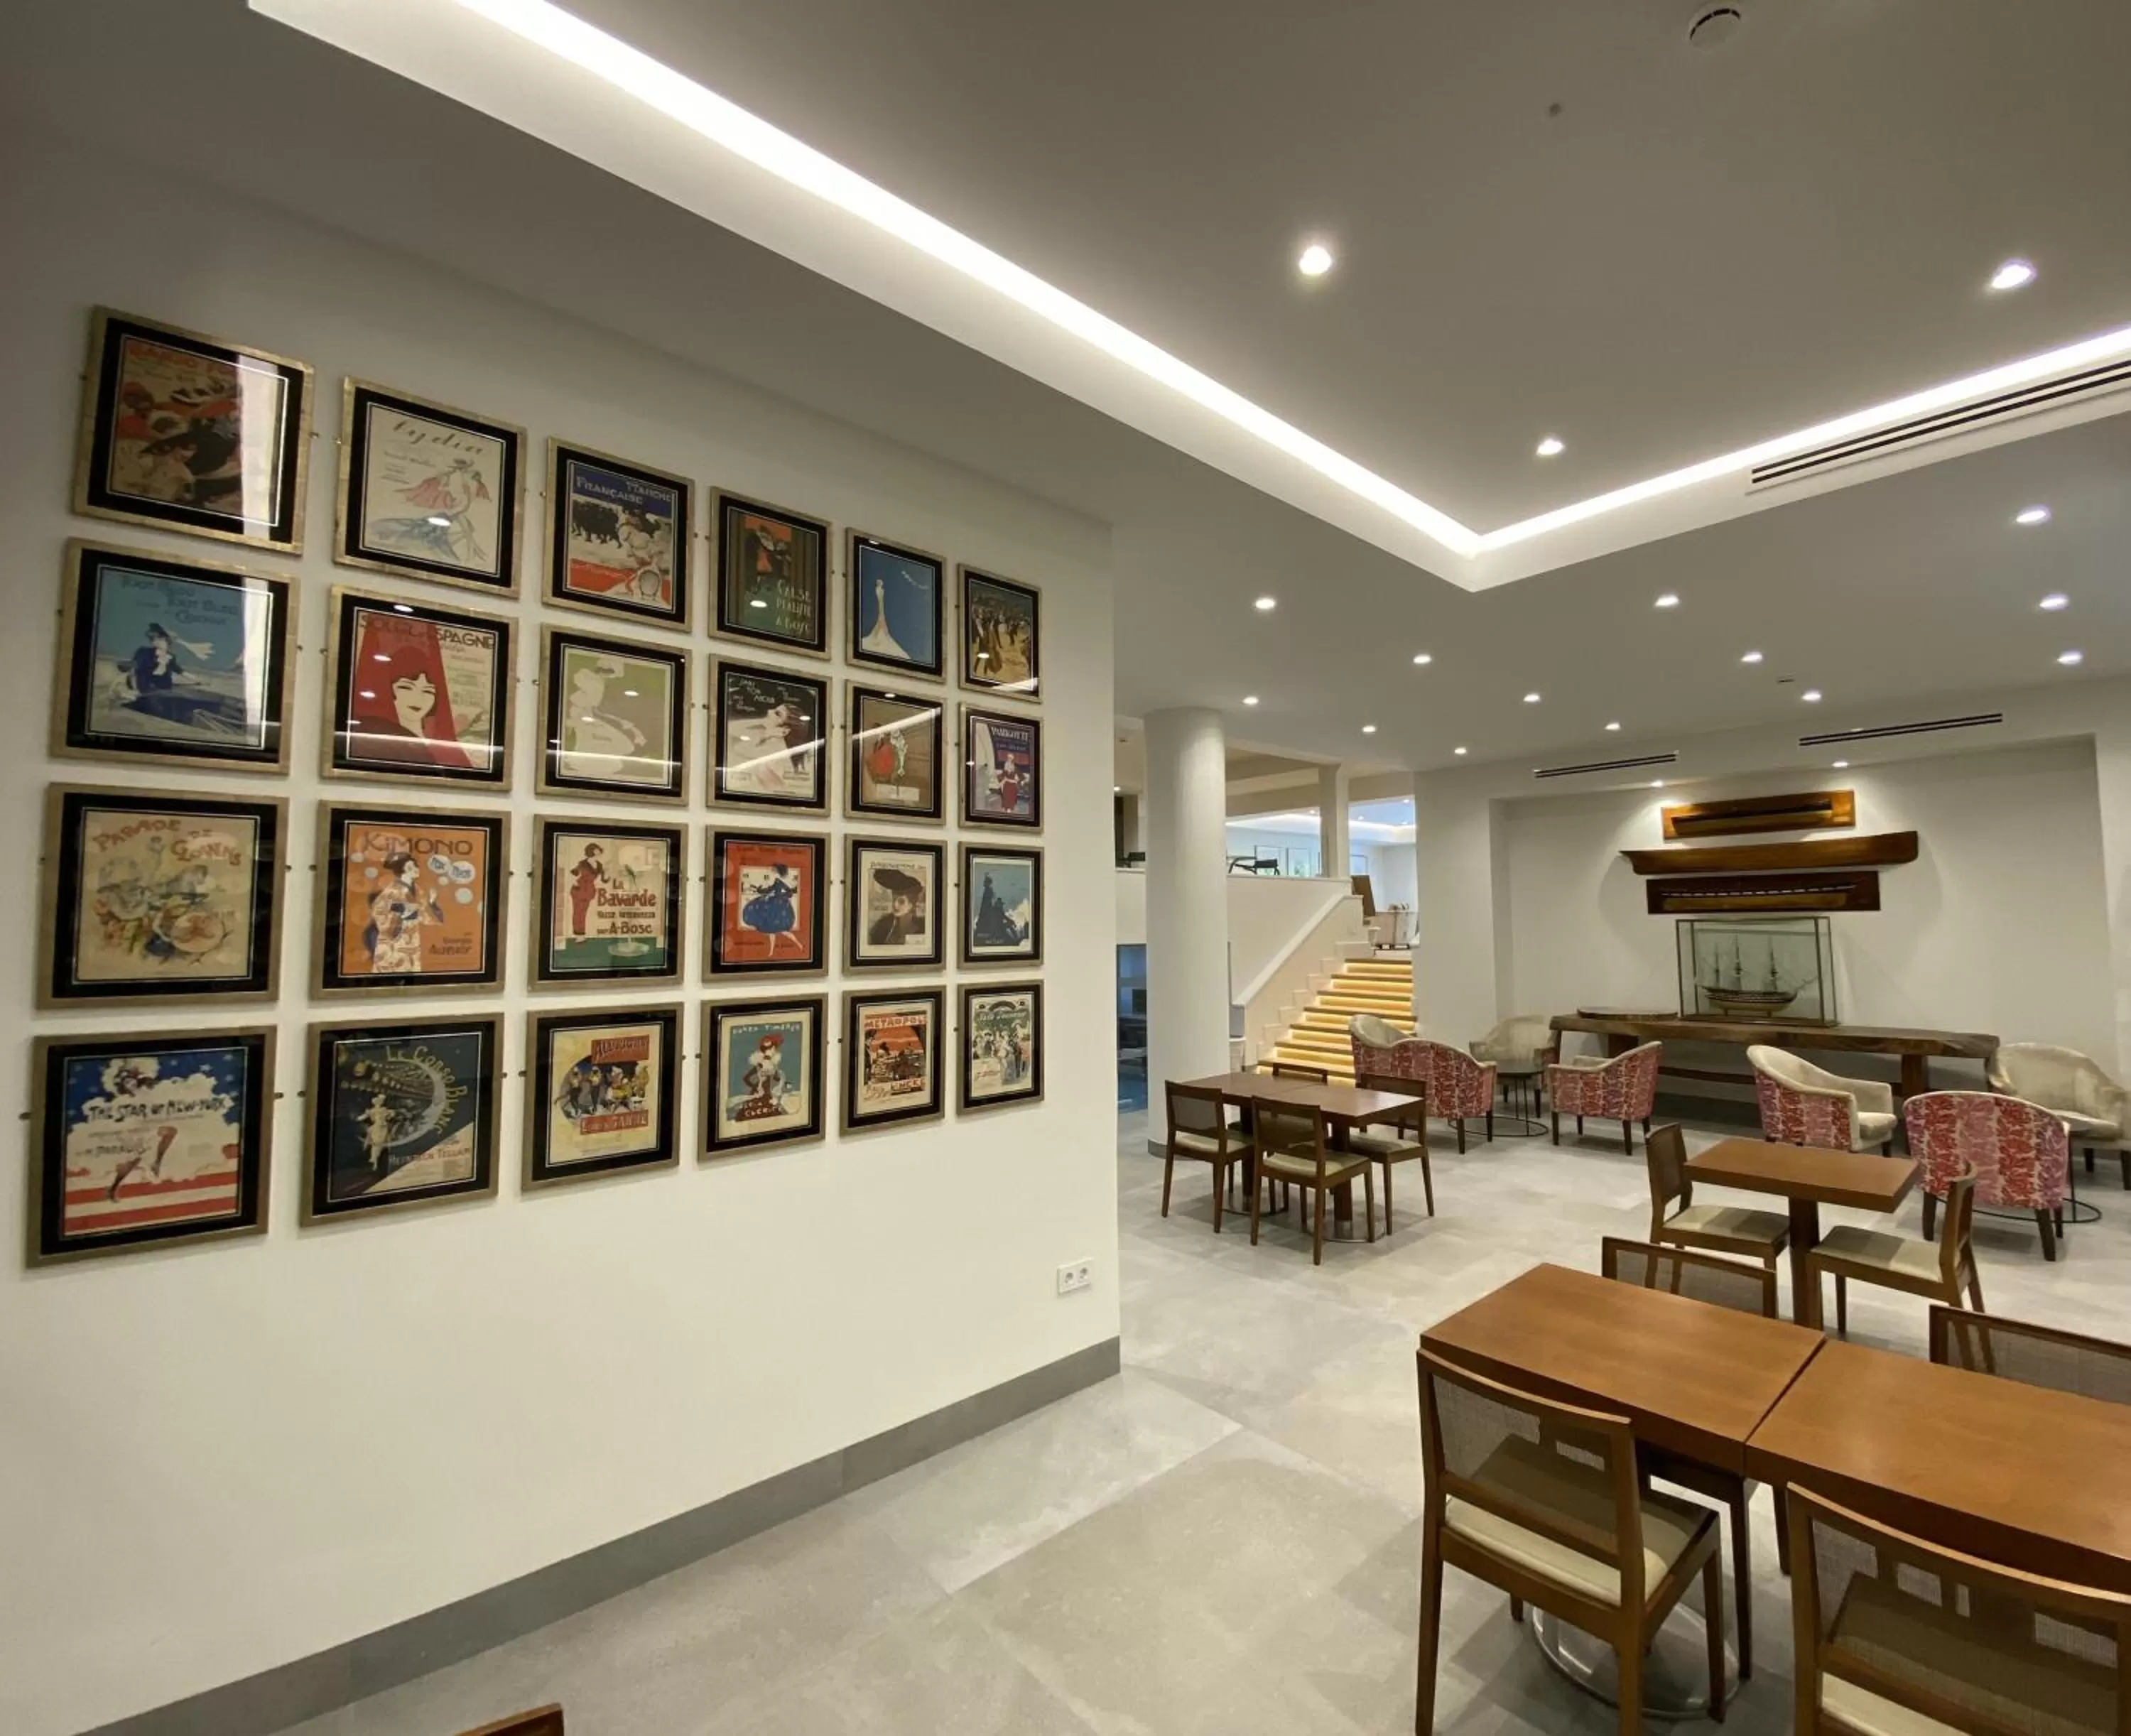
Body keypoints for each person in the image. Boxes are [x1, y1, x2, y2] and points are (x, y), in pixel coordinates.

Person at [363, 853, 443, 975]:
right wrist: (403, 913)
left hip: (412, 943)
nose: (416, 869)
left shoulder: (419, 891)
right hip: (393, 947)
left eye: (416, 866)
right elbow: (379, 913)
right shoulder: (391, 892)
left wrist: (433, 904)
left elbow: (429, 919)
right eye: (411, 867)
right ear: (401, 871)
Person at [867, 866, 926, 947]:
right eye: (894, 899)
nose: (895, 904)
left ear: (911, 905)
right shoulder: (882, 926)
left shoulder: (923, 928)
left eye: (901, 902)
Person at [566, 842, 605, 943]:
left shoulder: (599, 865)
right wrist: (576, 883)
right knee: (578, 913)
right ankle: (579, 936)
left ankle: (581, 935)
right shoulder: (583, 864)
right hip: (579, 891)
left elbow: (603, 879)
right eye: (596, 850)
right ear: (591, 851)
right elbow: (573, 874)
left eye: (598, 850)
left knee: (583, 913)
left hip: (588, 891)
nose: (598, 852)